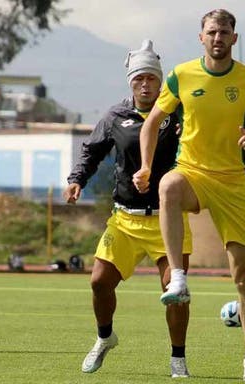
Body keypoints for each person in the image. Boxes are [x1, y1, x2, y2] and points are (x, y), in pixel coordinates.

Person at [133, 9, 245, 383]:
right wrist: (146, 166)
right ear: (201, 37)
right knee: (168, 185)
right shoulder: (181, 75)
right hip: (194, 172)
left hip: (233, 182)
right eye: (212, 32)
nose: (218, 38)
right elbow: (151, 123)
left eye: (225, 32)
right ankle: (179, 279)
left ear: (235, 38)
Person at [63, 39, 193, 378]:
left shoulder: (177, 112)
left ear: (160, 80)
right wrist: (77, 179)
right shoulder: (115, 115)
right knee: (99, 282)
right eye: (139, 79)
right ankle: (105, 337)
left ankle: (178, 359)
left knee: (175, 290)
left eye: (151, 78)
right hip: (125, 219)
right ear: (131, 82)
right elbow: (92, 151)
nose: (146, 84)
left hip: (169, 219)